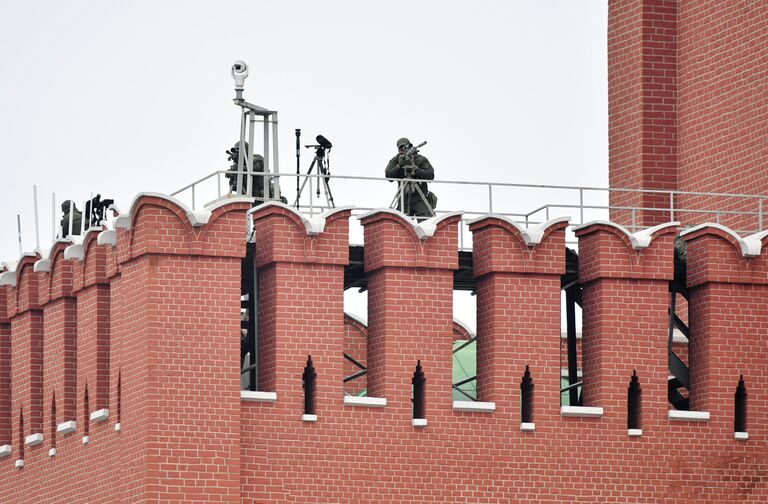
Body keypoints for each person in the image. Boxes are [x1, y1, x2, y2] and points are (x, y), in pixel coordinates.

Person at [385, 137, 435, 218]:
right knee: (401, 223)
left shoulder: (420, 159)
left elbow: (430, 176)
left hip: (420, 197)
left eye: (404, 147)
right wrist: (399, 166)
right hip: (403, 198)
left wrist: (415, 169)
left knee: (427, 224)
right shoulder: (396, 160)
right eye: (400, 148)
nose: (402, 150)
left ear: (409, 146)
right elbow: (388, 176)